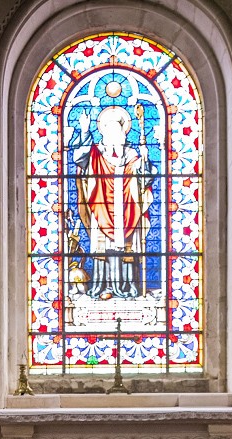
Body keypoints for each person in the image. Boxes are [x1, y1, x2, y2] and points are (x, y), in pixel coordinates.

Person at [74, 105, 153, 299]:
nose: (114, 134)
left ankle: (127, 288)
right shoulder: (96, 153)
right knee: (102, 248)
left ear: (123, 132)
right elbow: (79, 158)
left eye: (117, 130)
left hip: (126, 208)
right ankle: (101, 287)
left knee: (126, 248)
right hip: (101, 207)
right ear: (104, 133)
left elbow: (145, 179)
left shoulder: (132, 156)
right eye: (109, 130)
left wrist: (144, 160)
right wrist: (84, 131)